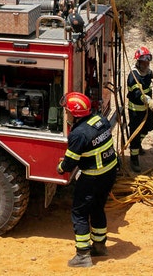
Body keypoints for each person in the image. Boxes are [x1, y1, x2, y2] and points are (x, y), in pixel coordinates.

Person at [57, 92, 119, 267]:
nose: (66, 114)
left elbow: (69, 163)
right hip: (109, 173)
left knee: (80, 213)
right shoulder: (101, 120)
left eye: (67, 111)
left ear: (74, 113)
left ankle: (83, 255)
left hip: (92, 177)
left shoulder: (78, 134)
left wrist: (61, 168)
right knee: (97, 208)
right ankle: (99, 246)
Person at [126, 46, 153, 173]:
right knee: (135, 134)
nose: (147, 62)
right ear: (138, 61)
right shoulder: (134, 76)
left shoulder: (148, 72)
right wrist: (148, 100)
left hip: (146, 108)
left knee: (150, 126)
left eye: (148, 59)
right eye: (144, 60)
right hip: (136, 110)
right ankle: (134, 158)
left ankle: (138, 144)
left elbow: (148, 88)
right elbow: (138, 93)